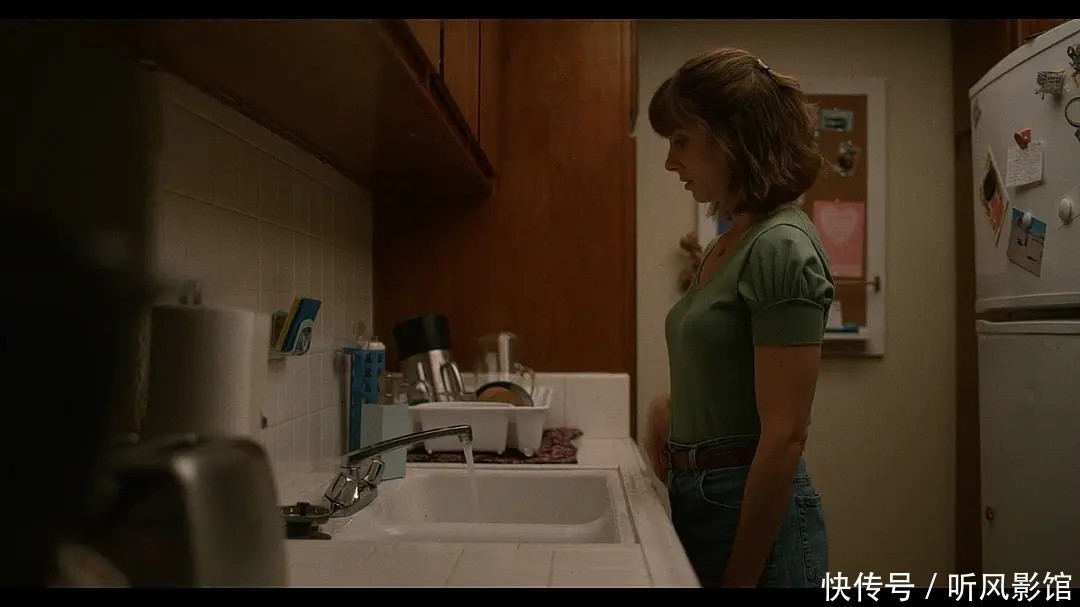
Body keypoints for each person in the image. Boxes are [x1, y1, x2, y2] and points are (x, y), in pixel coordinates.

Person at [643, 48, 835, 589]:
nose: (670, 162)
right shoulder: (729, 243)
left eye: (681, 140)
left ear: (730, 138)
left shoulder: (781, 246)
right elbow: (730, 373)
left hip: (744, 510)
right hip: (703, 497)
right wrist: (671, 410)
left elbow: (786, 436)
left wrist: (741, 578)